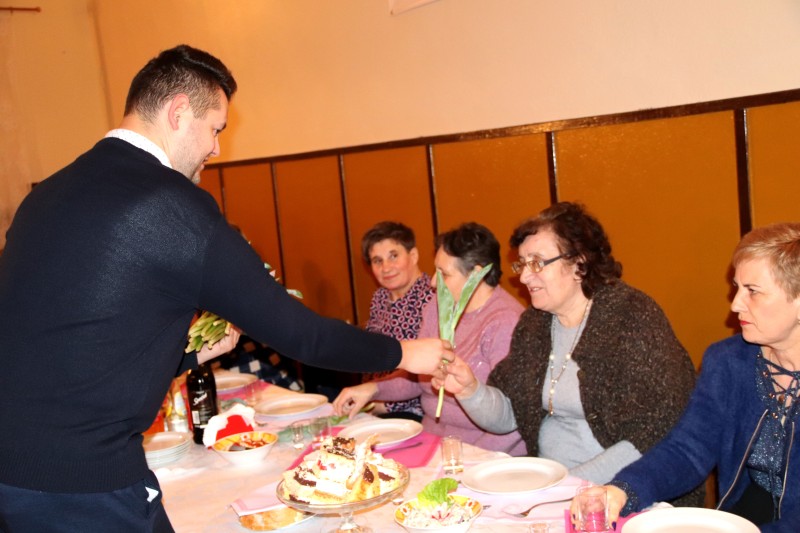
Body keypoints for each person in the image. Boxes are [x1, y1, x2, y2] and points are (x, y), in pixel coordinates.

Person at [0, 45, 452, 533]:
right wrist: (405, 351)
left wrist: (191, 356)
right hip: (81, 481)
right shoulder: (174, 205)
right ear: (178, 112)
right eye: (216, 128)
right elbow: (301, 334)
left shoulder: (47, 194)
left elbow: (75, 345)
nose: (216, 148)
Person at [436, 202, 700, 495]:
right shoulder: (535, 324)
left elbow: (655, 431)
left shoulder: (631, 317)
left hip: (619, 490)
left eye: (537, 263)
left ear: (579, 263)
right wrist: (469, 390)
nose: (523, 277)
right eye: (522, 263)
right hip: (552, 484)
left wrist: (566, 486)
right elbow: (509, 415)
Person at [580, 223, 800, 532]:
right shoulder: (728, 361)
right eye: (737, 287)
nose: (736, 304)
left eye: (752, 291)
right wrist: (624, 490)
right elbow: (689, 449)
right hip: (746, 515)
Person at [333, 222, 526, 455]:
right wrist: (373, 389)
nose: (433, 282)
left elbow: (513, 420)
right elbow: (418, 378)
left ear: (476, 275)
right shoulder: (437, 305)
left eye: (444, 274)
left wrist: (467, 459)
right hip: (430, 439)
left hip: (477, 452)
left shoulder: (506, 322)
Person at [358, 221, 435, 421]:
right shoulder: (380, 297)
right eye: (377, 260)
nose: (386, 267)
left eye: (393, 256)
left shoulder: (432, 298)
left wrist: (377, 403)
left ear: (413, 256)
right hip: (373, 399)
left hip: (415, 411)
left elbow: (428, 370)